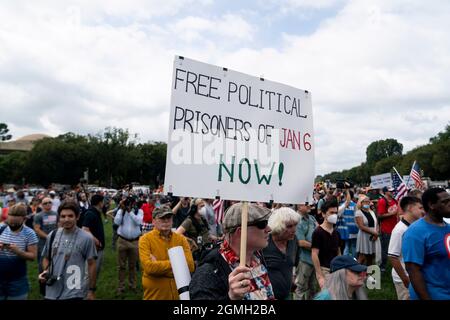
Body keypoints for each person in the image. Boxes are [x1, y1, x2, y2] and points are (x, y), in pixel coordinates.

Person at [190, 202, 275, 300]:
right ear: (240, 232)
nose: (269, 229)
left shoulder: (257, 258)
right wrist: (230, 297)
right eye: (262, 224)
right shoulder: (209, 270)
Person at [39, 200, 97, 300]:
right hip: (52, 290)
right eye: (63, 216)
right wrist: (46, 272)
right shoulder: (52, 235)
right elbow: (46, 258)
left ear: (77, 217)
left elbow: (92, 264)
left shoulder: (87, 238)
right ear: (59, 218)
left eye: (70, 216)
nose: (66, 219)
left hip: (74, 291)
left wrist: (91, 290)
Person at [402, 188, 450, 300]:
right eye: (445, 202)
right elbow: (413, 270)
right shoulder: (415, 232)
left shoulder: (447, 227)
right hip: (433, 295)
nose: (449, 204)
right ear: (431, 205)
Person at [139, 205, 194, 300]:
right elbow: (149, 267)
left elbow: (190, 266)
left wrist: (158, 266)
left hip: (180, 296)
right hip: (155, 296)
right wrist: (179, 266)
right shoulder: (145, 240)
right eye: (162, 218)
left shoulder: (181, 239)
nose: (166, 221)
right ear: (153, 221)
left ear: (172, 220)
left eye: (168, 217)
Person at [388, 196, 424, 300]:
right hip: (405, 278)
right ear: (410, 208)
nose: (423, 211)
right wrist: (405, 279)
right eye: (420, 208)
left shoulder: (414, 226)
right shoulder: (399, 230)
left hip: (415, 276)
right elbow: (393, 257)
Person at [0, 204, 38, 300]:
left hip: (17, 281)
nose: (12, 225)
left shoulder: (29, 233)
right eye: (10, 222)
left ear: (24, 219)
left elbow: (33, 256)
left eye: (15, 223)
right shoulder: (1, 229)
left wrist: (18, 252)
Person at [262, 207, 299, 300]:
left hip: (287, 295)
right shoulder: (264, 242)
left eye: (295, 225)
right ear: (278, 226)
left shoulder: (294, 240)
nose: (294, 230)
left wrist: (292, 278)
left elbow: (293, 263)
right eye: (289, 226)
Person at [114, 197, 143, 294]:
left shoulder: (139, 211)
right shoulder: (121, 211)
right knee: (121, 266)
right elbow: (116, 222)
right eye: (127, 203)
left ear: (134, 203)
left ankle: (132, 285)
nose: (128, 205)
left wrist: (130, 212)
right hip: (122, 240)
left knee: (133, 266)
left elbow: (138, 222)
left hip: (135, 241)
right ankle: (121, 287)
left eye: (130, 203)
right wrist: (121, 209)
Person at [311, 199, 341, 289]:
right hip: (324, 269)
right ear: (324, 214)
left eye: (336, 213)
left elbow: (338, 252)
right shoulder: (318, 232)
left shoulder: (336, 233)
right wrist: (320, 275)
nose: (334, 215)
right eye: (331, 212)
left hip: (335, 269)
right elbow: (314, 254)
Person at [294, 202, 318, 300]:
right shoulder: (297, 220)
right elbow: (300, 242)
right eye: (306, 203)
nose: (309, 205)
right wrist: (317, 247)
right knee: (300, 287)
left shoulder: (311, 218)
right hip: (303, 259)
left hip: (313, 259)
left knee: (312, 287)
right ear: (299, 206)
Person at [82, 194, 105, 278]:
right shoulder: (90, 213)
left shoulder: (96, 212)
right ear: (99, 203)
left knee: (94, 273)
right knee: (89, 274)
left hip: (97, 248)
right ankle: (86, 290)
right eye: (103, 202)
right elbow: (85, 229)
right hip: (94, 248)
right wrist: (97, 242)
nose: (104, 204)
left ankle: (91, 290)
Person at [377, 186, 399, 271]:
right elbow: (380, 215)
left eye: (393, 190)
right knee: (385, 249)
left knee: (395, 248)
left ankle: (395, 265)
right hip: (386, 230)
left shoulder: (394, 201)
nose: (393, 192)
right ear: (385, 192)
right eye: (390, 191)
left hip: (395, 229)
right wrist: (392, 213)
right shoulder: (382, 201)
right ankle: (383, 267)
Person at [33, 197, 58, 271]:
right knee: (42, 260)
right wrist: (48, 237)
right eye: (45, 203)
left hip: (55, 240)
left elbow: (59, 226)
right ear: (42, 205)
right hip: (42, 242)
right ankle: (42, 277)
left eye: (49, 202)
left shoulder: (56, 214)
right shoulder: (38, 216)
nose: (48, 204)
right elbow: (37, 229)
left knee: (55, 259)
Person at [355, 196, 381, 266]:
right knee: (362, 256)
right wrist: (375, 233)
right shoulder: (358, 212)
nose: (367, 203)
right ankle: (355, 271)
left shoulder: (371, 212)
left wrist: (376, 233)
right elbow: (361, 226)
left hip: (373, 236)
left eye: (368, 202)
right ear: (361, 203)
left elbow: (376, 223)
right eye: (365, 202)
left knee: (371, 256)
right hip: (364, 236)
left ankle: (369, 272)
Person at [337, 190, 358, 258]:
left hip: (345, 230)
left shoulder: (342, 206)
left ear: (346, 197)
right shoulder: (355, 205)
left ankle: (345, 262)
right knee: (354, 246)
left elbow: (339, 215)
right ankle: (354, 261)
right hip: (354, 229)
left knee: (346, 246)